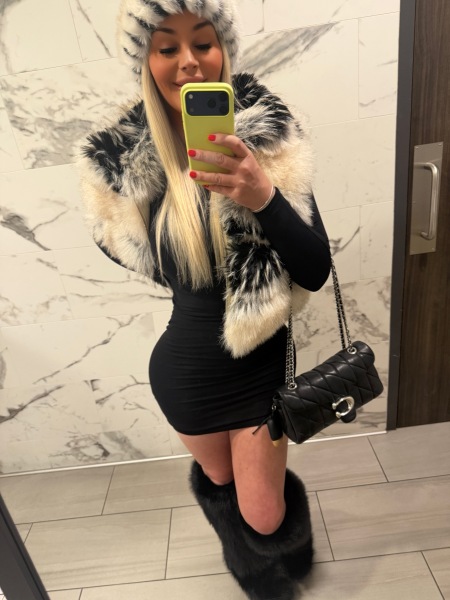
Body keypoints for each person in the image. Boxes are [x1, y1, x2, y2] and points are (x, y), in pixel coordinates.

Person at [79, 1, 331, 598]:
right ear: (147, 62)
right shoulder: (126, 164)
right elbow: (117, 246)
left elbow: (315, 270)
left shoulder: (268, 138)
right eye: (167, 47)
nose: (189, 60)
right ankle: (253, 572)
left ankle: (289, 550)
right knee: (220, 486)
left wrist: (264, 198)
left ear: (223, 50)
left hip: (259, 367)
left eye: (203, 41)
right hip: (185, 373)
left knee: (264, 511)